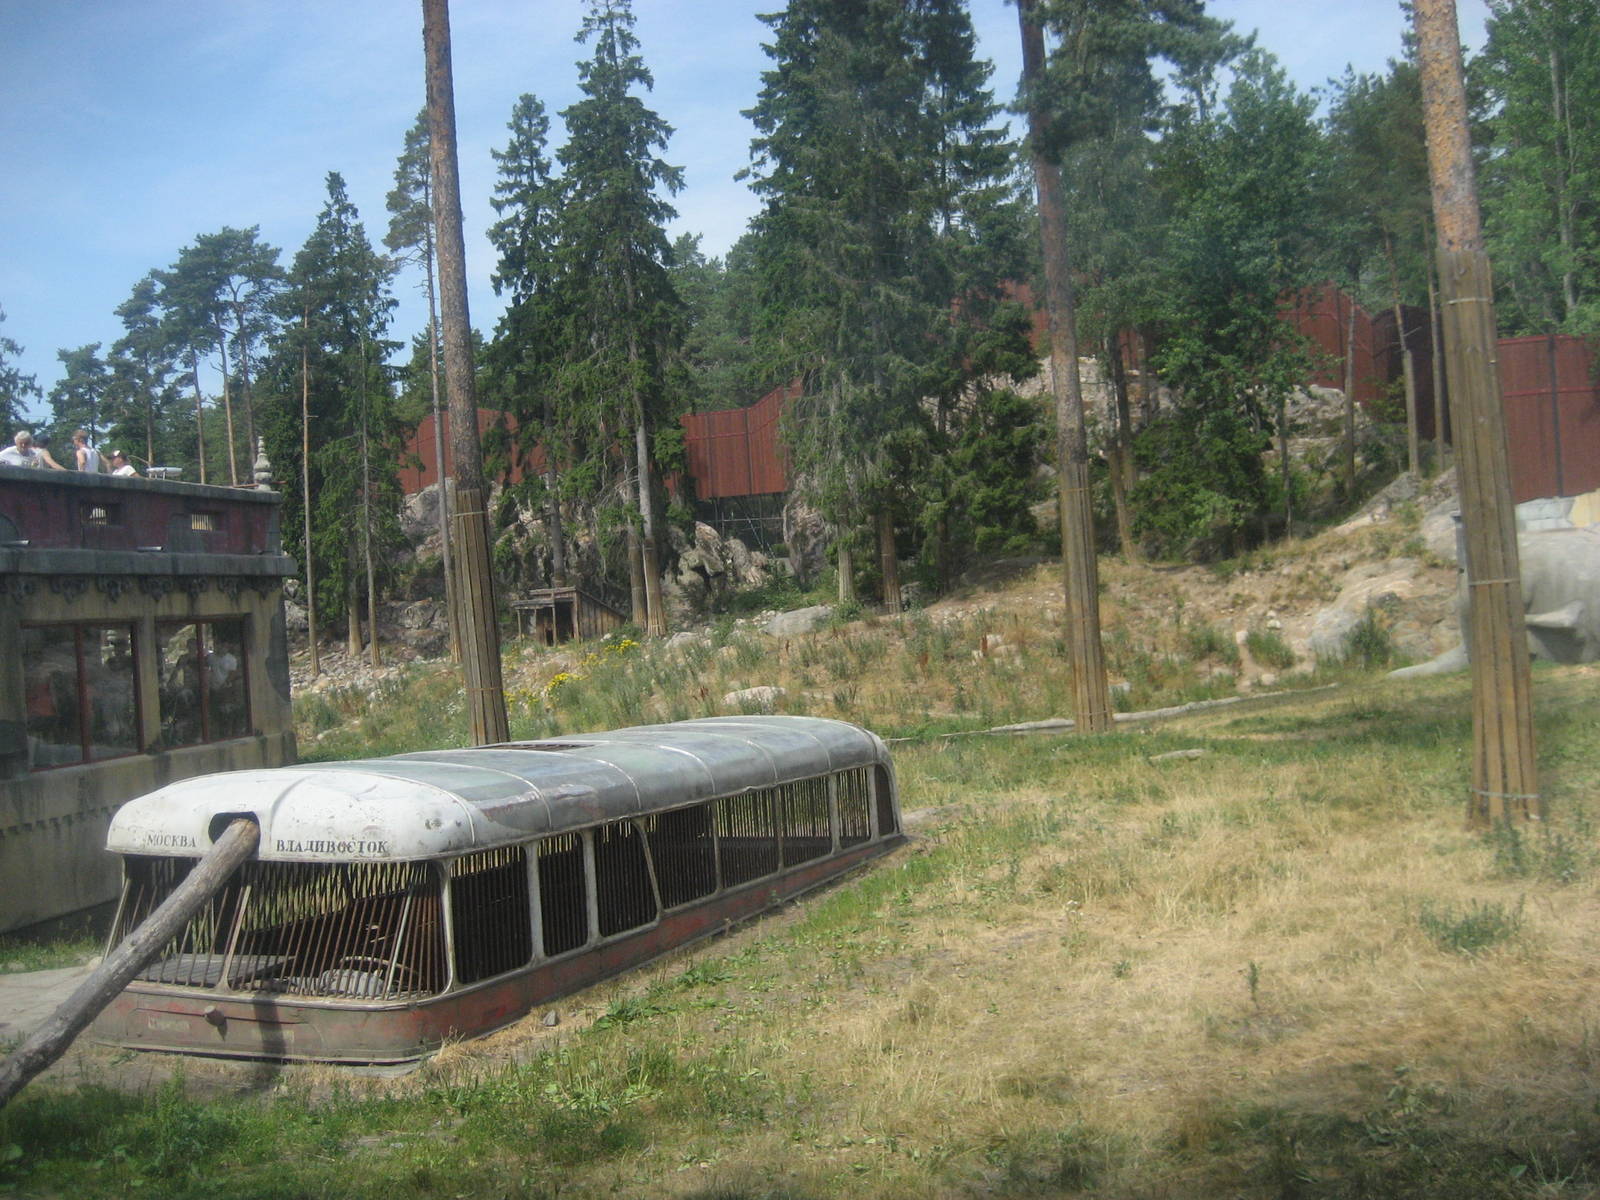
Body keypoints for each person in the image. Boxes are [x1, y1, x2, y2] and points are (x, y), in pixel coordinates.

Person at [0, 430, 67, 470]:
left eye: (26, 443)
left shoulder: (34, 453)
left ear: (30, 443)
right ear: (16, 442)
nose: (23, 445)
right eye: (21, 443)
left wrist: (34, 466)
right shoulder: (8, 452)